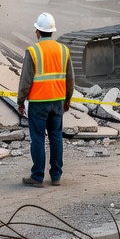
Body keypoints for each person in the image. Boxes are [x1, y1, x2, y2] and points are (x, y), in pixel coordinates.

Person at [16, 12, 74, 187]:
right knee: (56, 137)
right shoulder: (64, 50)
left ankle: (37, 177)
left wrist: (20, 100)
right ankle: (56, 176)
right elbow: (70, 78)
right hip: (57, 102)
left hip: (38, 103)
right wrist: (67, 99)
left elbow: (26, 79)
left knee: (38, 138)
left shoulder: (33, 51)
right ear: (52, 31)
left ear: (38, 32)